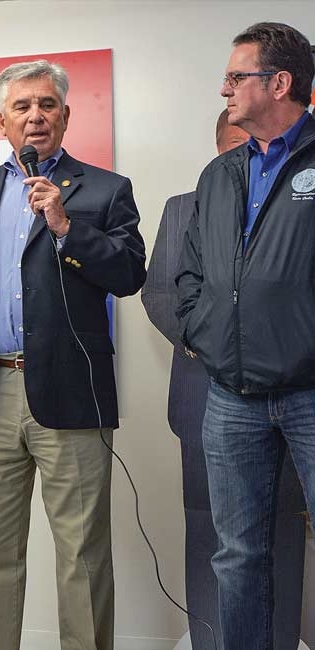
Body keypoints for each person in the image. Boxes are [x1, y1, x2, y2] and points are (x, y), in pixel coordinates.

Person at [0, 60, 146, 650]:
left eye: (47, 105)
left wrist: (64, 226)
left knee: (81, 558)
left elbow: (130, 274)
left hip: (71, 395)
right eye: (23, 107)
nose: (36, 117)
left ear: (66, 116)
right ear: (1, 121)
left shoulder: (105, 189)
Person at [143, 109, 307, 650]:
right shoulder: (184, 206)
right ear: (218, 147)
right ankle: (210, 640)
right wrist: (219, 346)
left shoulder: (298, 199)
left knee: (282, 528)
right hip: (206, 397)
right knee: (214, 536)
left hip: (296, 391)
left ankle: (282, 639)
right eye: (235, 141)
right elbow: (163, 294)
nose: (247, 148)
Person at [176, 22, 315, 650]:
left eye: (237, 76)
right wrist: (203, 333)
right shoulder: (219, 175)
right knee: (238, 556)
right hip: (230, 398)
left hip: (311, 392)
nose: (224, 88)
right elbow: (191, 275)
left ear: (279, 83)